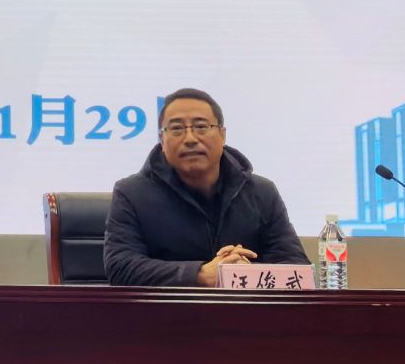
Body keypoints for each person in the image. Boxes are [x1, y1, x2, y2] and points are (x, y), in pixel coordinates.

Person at [102, 87, 307, 286]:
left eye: (201, 127)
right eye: (177, 129)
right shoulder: (131, 194)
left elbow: (296, 266)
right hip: (167, 309)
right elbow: (121, 268)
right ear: (162, 140)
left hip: (243, 308)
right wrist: (200, 274)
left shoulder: (261, 192)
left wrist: (243, 272)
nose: (190, 139)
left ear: (222, 135)